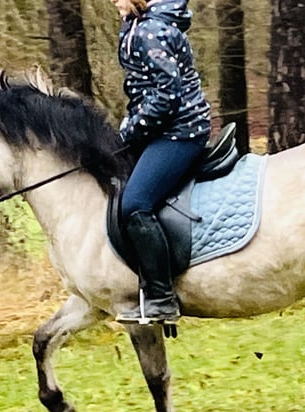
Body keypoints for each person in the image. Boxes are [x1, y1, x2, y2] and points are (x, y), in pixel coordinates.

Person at [110, 0, 211, 324]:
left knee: (135, 204)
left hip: (180, 132)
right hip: (161, 129)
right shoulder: (139, 25)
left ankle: (162, 298)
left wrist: (128, 130)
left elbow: (167, 97)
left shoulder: (151, 30)